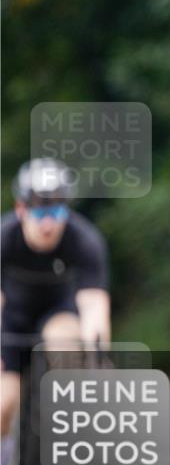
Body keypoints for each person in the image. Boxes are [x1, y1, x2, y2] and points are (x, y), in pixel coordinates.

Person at [1, 158, 111, 442]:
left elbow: (94, 304)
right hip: (10, 318)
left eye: (57, 210)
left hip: (57, 313)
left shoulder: (84, 239)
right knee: (4, 403)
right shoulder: (5, 237)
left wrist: (96, 358)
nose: (48, 222)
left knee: (65, 342)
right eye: (39, 212)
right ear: (21, 209)